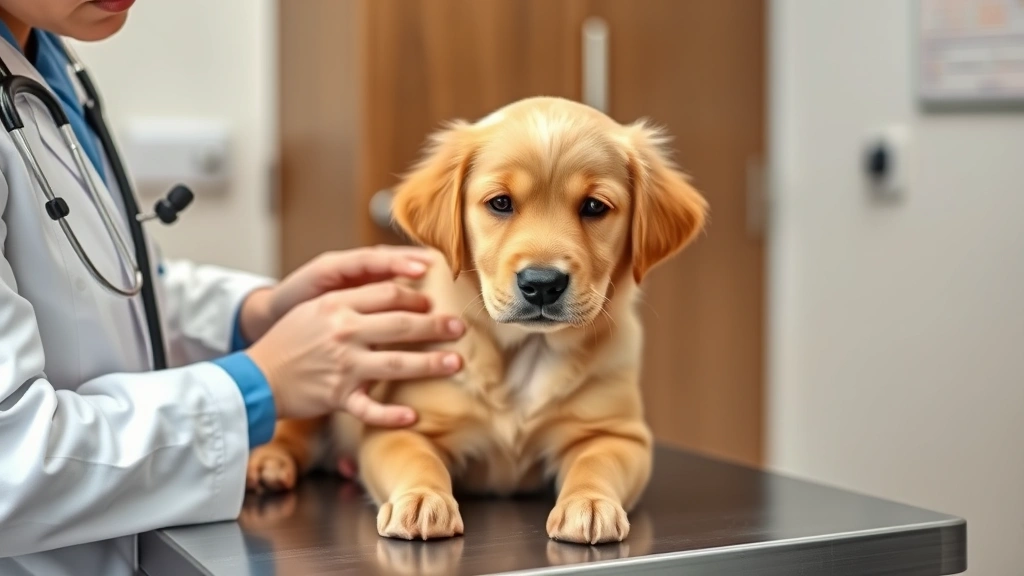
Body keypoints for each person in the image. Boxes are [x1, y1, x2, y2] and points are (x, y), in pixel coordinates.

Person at [0, 1, 466, 574]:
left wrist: (255, 312)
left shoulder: (43, 59)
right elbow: (10, 468)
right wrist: (257, 384)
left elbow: (100, 296)